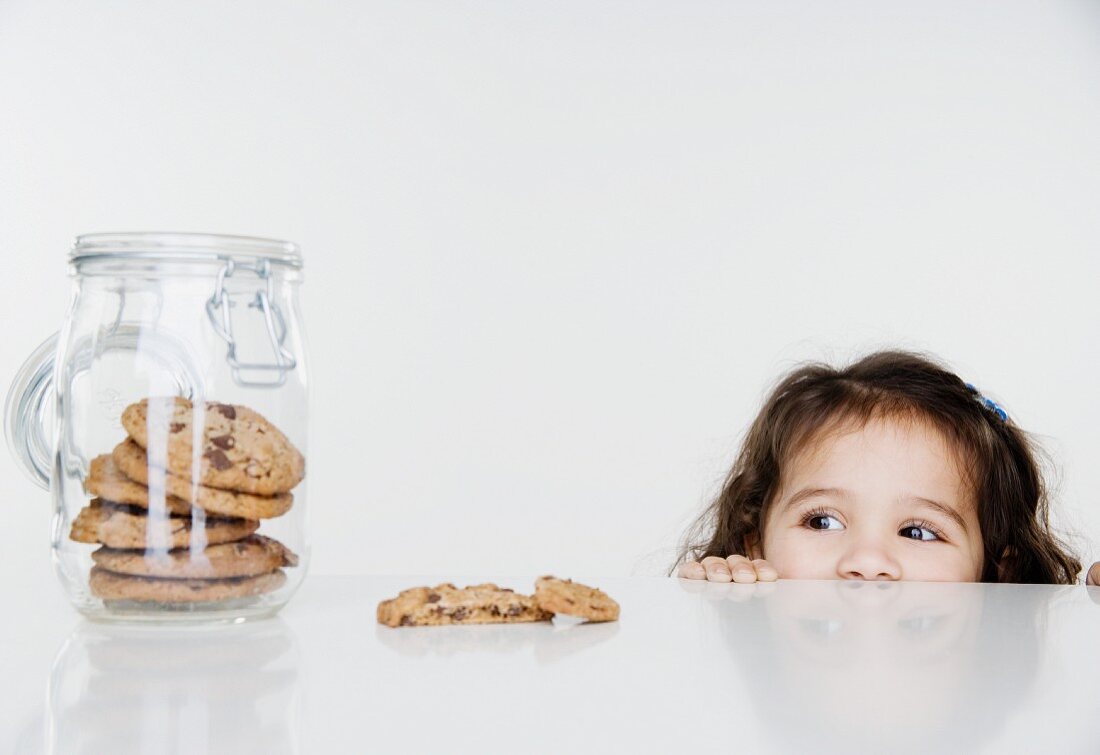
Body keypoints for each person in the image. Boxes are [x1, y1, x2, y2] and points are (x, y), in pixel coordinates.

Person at [675, 350, 1100, 585]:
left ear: (996, 572)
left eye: (918, 532)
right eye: (822, 521)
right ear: (755, 545)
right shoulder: (742, 615)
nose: (866, 561)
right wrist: (723, 610)